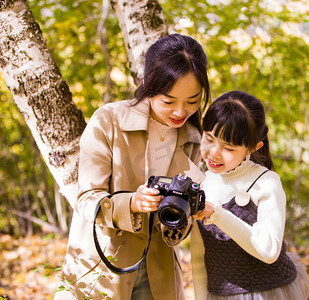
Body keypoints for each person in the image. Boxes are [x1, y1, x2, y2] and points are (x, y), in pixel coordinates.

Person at [54, 33, 210, 300]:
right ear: (148, 85)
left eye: (193, 101)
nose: (180, 112)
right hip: (102, 265)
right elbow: (86, 199)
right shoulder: (109, 121)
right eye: (169, 101)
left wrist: (188, 213)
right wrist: (132, 204)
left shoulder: (195, 139)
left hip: (159, 274)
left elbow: (178, 228)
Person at [191, 91, 309, 300]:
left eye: (228, 148)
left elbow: (269, 251)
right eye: (209, 138)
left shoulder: (265, 182)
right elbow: (198, 257)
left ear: (253, 147)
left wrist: (218, 215)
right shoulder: (203, 182)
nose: (214, 153)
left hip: (267, 293)